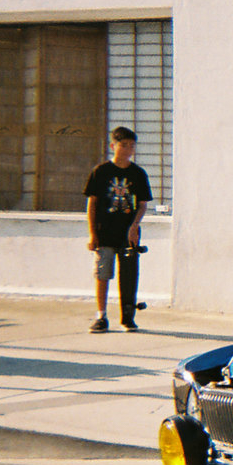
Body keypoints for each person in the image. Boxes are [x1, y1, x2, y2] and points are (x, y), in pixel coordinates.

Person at [84, 126, 152, 332]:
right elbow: (92, 204)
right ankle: (101, 316)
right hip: (104, 231)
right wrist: (92, 233)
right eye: (123, 145)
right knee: (102, 273)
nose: (128, 149)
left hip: (128, 234)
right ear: (113, 146)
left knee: (129, 275)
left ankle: (127, 316)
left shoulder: (138, 174)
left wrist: (134, 226)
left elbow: (142, 205)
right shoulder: (100, 172)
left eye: (132, 146)